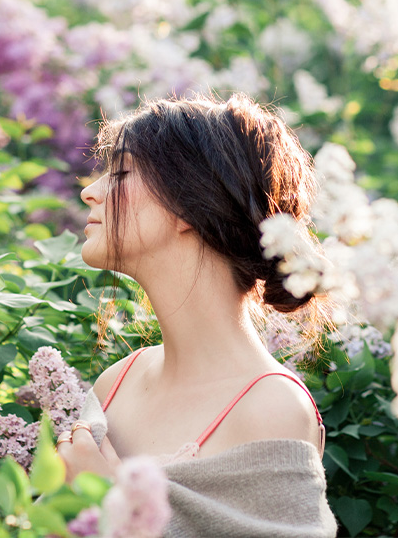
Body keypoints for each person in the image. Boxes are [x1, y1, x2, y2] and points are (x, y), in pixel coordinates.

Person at [57, 94, 338, 537]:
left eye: (123, 172)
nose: (90, 190)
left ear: (189, 203)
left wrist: (108, 503)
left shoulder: (271, 408)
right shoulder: (118, 382)